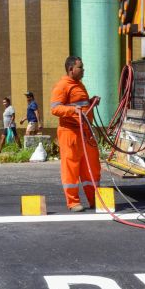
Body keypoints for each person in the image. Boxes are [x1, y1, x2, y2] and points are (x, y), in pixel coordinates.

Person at [50, 56, 100, 212]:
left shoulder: (79, 85)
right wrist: (72, 110)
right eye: (80, 67)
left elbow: (82, 105)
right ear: (71, 69)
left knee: (91, 167)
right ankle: (73, 202)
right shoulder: (62, 86)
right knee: (71, 167)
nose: (83, 70)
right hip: (70, 133)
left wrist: (91, 102)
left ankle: (94, 200)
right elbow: (55, 109)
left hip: (85, 132)